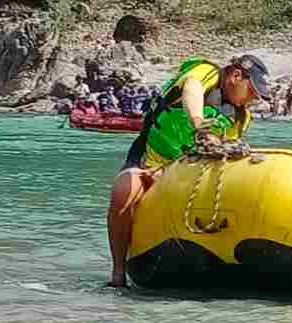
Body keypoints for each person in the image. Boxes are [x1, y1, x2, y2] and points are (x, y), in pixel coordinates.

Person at [106, 54, 270, 287]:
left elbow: (225, 154)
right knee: (124, 191)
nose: (253, 99)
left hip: (189, 170)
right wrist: (198, 123)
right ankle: (118, 273)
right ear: (235, 76)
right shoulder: (207, 73)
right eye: (252, 91)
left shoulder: (241, 117)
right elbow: (192, 89)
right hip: (151, 160)